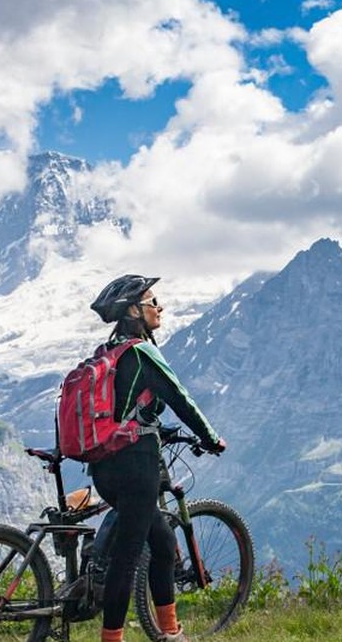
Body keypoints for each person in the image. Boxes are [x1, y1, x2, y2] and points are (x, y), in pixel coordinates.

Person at [88, 274, 226, 642]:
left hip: (104, 466)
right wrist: (211, 438)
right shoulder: (141, 352)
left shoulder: (107, 353)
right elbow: (180, 399)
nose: (159, 307)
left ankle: (171, 633)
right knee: (127, 558)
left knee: (163, 545)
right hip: (136, 467)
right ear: (134, 311)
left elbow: (125, 411)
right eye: (152, 302)